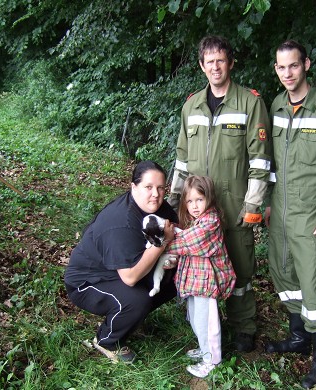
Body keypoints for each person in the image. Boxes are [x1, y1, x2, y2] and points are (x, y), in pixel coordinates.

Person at [168, 35, 271, 352]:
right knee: (201, 268)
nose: (215, 66)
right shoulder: (191, 106)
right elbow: (182, 161)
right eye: (209, 61)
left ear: (231, 63)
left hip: (235, 207)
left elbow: (261, 161)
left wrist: (252, 207)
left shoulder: (250, 103)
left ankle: (243, 327)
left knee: (240, 271)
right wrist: (173, 206)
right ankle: (208, 329)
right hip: (197, 212)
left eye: (221, 60)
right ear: (201, 66)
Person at [263, 40, 316, 388]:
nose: (288, 73)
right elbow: (270, 161)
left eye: (294, 66)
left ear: (307, 65)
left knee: (313, 289)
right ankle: (299, 340)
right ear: (276, 69)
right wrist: (268, 201)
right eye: (281, 67)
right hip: (281, 212)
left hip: (313, 214)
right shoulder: (275, 105)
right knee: (285, 278)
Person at [64, 160, 178, 363]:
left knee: (177, 279)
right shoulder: (121, 222)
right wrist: (162, 243)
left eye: (161, 188)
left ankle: (130, 319)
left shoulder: (158, 206)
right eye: (148, 187)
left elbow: (176, 229)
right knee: (137, 300)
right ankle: (106, 340)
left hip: (120, 270)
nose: (156, 194)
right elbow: (131, 277)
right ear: (133, 186)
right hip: (89, 282)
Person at [165, 175, 236, 378]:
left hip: (207, 283)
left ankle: (212, 360)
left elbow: (188, 243)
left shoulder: (210, 221)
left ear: (209, 199)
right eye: (189, 201)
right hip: (196, 282)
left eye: (199, 200)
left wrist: (163, 243)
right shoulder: (197, 220)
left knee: (207, 322)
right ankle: (204, 349)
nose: (194, 206)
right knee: (196, 318)